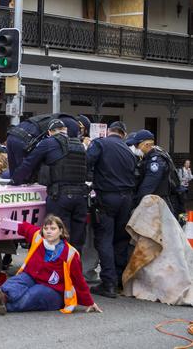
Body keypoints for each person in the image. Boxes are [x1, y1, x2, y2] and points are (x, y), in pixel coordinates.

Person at [0, 215, 101, 315]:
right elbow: (25, 227)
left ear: (61, 231)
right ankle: (2, 297)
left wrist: (89, 302)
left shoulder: (70, 254)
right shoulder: (38, 237)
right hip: (31, 277)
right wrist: (4, 221)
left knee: (33, 295)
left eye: (53, 228)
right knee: (17, 281)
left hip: (53, 290)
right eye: (46, 228)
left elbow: (78, 280)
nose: (48, 231)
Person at [12, 119, 88, 254]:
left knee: (57, 238)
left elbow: (29, 164)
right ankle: (73, 270)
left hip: (60, 196)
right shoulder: (79, 145)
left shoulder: (48, 143)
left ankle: (58, 271)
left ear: (50, 132)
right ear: (65, 130)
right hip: (81, 197)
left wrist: (15, 180)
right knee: (77, 240)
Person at [86, 121, 136, 298]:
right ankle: (120, 281)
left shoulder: (100, 143)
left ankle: (108, 284)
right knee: (120, 240)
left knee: (104, 239)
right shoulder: (129, 150)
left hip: (107, 197)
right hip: (126, 199)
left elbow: (87, 162)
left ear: (109, 131)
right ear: (123, 133)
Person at [6, 113, 81, 178]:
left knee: (14, 174)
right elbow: (70, 149)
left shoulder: (60, 118)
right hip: (24, 139)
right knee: (25, 176)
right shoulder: (73, 124)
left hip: (12, 134)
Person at [131, 130, 184, 218]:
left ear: (147, 144)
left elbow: (148, 186)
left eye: (137, 145)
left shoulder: (156, 161)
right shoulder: (147, 157)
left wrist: (135, 203)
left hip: (158, 204)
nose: (135, 147)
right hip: (153, 203)